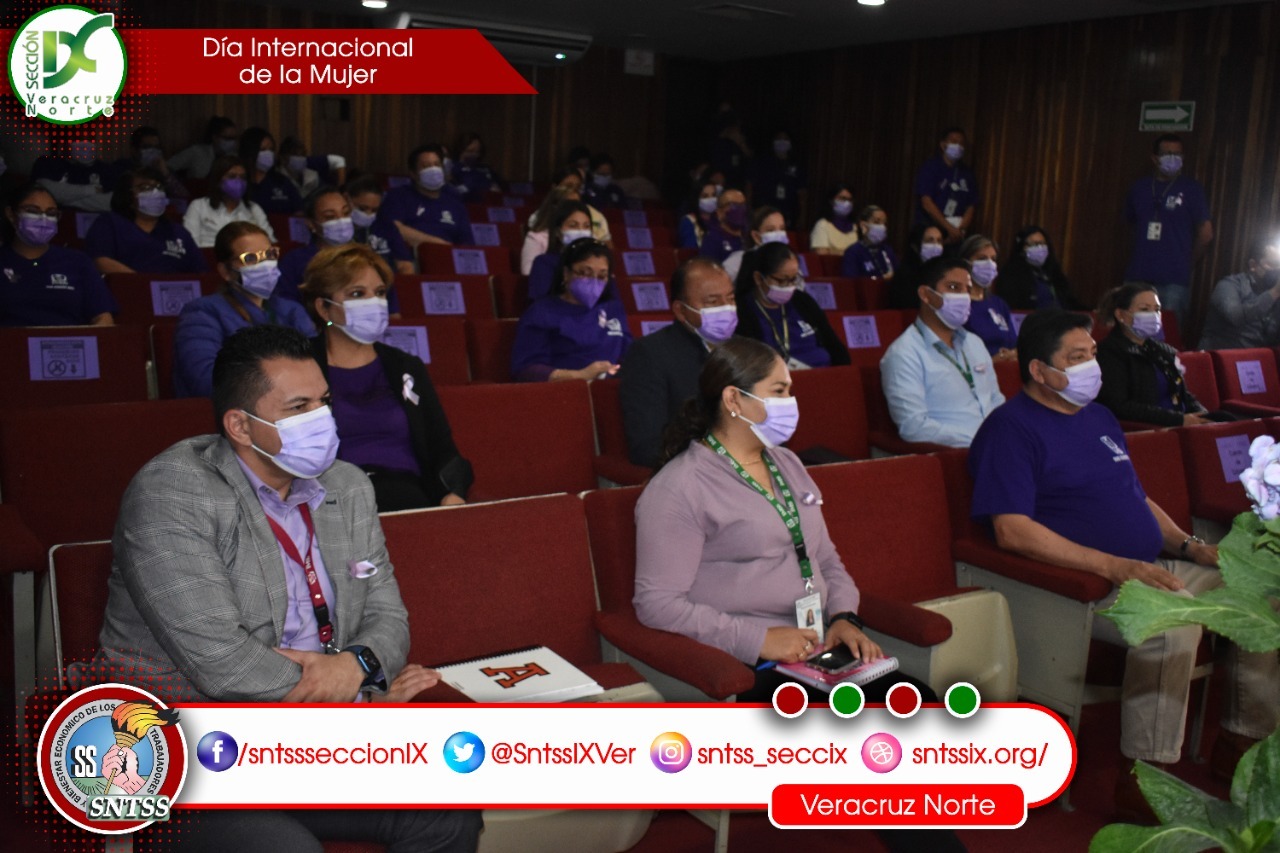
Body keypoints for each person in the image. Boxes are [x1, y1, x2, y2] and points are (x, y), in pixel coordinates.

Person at [82, 323, 482, 851]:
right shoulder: (172, 492)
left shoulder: (347, 486)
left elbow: (388, 615)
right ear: (240, 426)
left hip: (307, 740)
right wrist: (349, 695)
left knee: (447, 808)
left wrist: (356, 667)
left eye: (324, 402)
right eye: (299, 408)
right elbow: (222, 663)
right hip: (182, 745)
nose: (322, 419)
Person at [969, 309, 1278, 817]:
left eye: (1093, 353)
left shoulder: (1098, 417)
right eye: (1077, 357)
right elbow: (1012, 530)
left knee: (1259, 595)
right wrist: (1113, 566)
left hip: (1148, 565)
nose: (1092, 366)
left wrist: (1189, 546)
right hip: (1086, 582)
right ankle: (1145, 777)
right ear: (1039, 371)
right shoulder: (1011, 429)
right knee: (1172, 623)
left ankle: (1242, 741)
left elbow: (1135, 497)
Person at [299, 244, 472, 511]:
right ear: (324, 308)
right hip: (332, 502)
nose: (374, 303)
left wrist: (453, 493)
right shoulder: (299, 367)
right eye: (357, 294)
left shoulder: (406, 367)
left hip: (406, 495)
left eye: (379, 293)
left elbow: (442, 447)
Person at [620, 258, 737, 468]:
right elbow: (648, 446)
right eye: (712, 302)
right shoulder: (650, 354)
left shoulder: (745, 350)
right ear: (681, 310)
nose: (726, 308)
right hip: (696, 470)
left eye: (730, 299)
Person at [173, 222, 314, 398]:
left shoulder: (291, 309)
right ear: (225, 271)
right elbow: (206, 380)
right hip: (231, 411)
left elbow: (318, 364)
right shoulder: (202, 313)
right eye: (250, 258)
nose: (265, 264)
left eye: (269, 255)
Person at [880, 257, 1003, 447]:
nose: (964, 297)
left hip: (997, 446)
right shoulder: (903, 354)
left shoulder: (975, 343)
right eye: (954, 288)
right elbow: (914, 427)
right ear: (926, 294)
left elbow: (995, 400)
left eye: (967, 290)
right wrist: (979, 442)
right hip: (956, 453)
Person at [1123, 134, 1213, 330]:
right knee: (1131, 332)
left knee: (1167, 334)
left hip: (1173, 278)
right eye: (1167, 154)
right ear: (1155, 158)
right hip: (1138, 274)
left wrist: (1188, 262)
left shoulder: (1191, 189)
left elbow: (1206, 234)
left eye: (1177, 154)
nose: (1173, 158)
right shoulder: (1139, 188)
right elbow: (1130, 226)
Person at [1096, 284, 1218, 427]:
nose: (1153, 315)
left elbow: (1182, 393)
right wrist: (1179, 419)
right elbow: (1119, 406)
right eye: (1144, 309)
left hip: (1181, 422)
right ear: (1120, 315)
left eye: (1157, 309)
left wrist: (1202, 414)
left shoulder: (1164, 351)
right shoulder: (1110, 352)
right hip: (1151, 427)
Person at [510, 238, 630, 382]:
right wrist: (579, 376)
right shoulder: (542, 312)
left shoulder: (612, 308)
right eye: (585, 273)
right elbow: (526, 369)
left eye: (602, 276)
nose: (594, 281)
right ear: (566, 273)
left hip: (613, 387)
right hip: (566, 389)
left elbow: (629, 353)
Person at [0, 183, 116, 326]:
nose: (43, 219)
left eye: (51, 213)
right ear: (11, 214)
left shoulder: (78, 261)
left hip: (71, 339)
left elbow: (103, 317)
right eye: (32, 211)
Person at [734, 242, 849, 369]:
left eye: (793, 279)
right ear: (759, 278)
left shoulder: (802, 301)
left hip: (823, 373)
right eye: (781, 280)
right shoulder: (743, 311)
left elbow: (834, 346)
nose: (788, 286)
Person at [85, 167, 206, 275]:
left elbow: (201, 272)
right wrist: (143, 284)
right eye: (145, 188)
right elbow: (101, 261)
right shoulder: (110, 223)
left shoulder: (178, 232)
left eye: (159, 187)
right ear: (128, 195)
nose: (155, 192)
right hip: (128, 289)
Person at [379, 144, 472, 248]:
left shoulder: (455, 203)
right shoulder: (398, 196)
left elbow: (466, 244)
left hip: (446, 256)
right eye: (425, 166)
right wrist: (439, 245)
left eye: (437, 164)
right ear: (413, 173)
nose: (433, 169)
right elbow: (393, 228)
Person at [1197, 236, 1280, 351]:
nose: (1278, 270)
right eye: (1273, 264)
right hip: (1222, 355)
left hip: (1257, 358)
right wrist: (1274, 292)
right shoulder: (1229, 285)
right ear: (1253, 265)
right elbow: (1236, 316)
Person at [182, 156, 276, 248]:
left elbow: (270, 243)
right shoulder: (199, 206)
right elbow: (190, 245)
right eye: (232, 176)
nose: (238, 181)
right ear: (218, 181)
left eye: (242, 177)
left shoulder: (254, 209)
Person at [914, 127, 979, 244]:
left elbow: (971, 205)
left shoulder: (967, 173)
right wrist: (948, 227)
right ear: (943, 145)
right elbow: (926, 202)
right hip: (931, 227)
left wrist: (959, 230)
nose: (958, 146)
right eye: (954, 141)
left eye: (961, 143)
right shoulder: (931, 168)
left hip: (957, 233)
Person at [343, 175, 415, 278]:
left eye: (374, 210)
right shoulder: (338, 229)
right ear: (347, 199)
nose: (368, 214)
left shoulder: (385, 224)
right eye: (363, 208)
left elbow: (405, 265)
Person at [959, 235, 1017, 361]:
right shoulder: (958, 304)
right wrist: (993, 361)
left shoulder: (999, 304)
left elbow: (1015, 344)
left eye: (993, 259)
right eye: (982, 258)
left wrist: (1012, 354)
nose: (989, 264)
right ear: (966, 262)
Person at [527, 201, 596, 302]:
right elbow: (540, 303)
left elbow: (613, 304)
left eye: (586, 226)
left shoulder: (600, 264)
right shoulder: (544, 263)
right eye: (573, 226)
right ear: (557, 232)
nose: (581, 231)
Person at [999, 225, 1079, 310]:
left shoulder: (1053, 273)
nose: (1040, 248)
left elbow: (1069, 301)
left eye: (1043, 243)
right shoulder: (1011, 275)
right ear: (1022, 248)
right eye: (1034, 244)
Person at [32, 139, 122, 212]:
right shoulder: (47, 164)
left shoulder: (107, 169)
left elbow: (111, 203)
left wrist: (62, 198)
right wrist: (93, 190)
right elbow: (45, 194)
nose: (84, 144)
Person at [110, 126, 189, 201]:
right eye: (147, 147)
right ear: (134, 150)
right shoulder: (120, 168)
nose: (152, 151)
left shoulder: (164, 170)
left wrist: (165, 173)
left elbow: (183, 196)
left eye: (156, 147)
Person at [749, 129, 806, 228]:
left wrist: (802, 216)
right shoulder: (762, 162)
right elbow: (750, 185)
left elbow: (802, 193)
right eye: (779, 139)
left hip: (787, 212)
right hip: (764, 210)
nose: (782, 142)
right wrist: (749, 208)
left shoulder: (796, 165)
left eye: (785, 139)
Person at [239, 127, 302, 216]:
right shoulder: (239, 181)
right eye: (263, 150)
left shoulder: (283, 182)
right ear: (250, 152)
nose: (268, 154)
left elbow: (299, 213)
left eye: (271, 150)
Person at [521, 186, 580, 275]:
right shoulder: (536, 238)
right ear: (555, 208)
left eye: (578, 205)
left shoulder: (584, 236)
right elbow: (528, 271)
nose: (576, 210)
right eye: (570, 205)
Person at [722, 206, 787, 281]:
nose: (779, 234)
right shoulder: (739, 261)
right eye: (770, 230)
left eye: (782, 229)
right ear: (756, 236)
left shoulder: (790, 260)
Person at [888, 223, 945, 309]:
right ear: (915, 245)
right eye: (930, 241)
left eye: (939, 241)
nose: (936, 245)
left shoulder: (945, 271)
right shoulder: (905, 274)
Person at [167, 115, 239, 180]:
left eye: (234, 138)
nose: (231, 142)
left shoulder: (234, 157)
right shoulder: (196, 152)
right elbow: (169, 166)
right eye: (227, 138)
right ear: (215, 137)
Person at [841, 204, 897, 280]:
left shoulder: (887, 250)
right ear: (863, 225)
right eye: (877, 222)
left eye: (884, 223)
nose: (882, 227)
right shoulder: (853, 252)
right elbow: (851, 281)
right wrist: (879, 279)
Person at [808, 183, 859, 257]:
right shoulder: (823, 225)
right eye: (842, 198)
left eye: (850, 200)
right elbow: (822, 255)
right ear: (831, 201)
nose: (847, 203)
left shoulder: (855, 227)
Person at [698, 188, 748, 263]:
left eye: (743, 204)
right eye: (733, 204)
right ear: (719, 212)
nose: (740, 208)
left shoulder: (750, 236)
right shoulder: (712, 241)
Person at [677, 178, 719, 249]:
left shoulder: (720, 220)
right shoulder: (688, 221)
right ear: (696, 199)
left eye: (714, 195)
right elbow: (690, 250)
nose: (711, 199)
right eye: (705, 196)